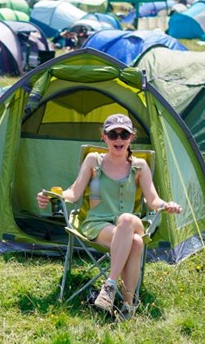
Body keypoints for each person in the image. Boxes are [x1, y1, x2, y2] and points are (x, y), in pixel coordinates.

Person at [35, 114, 182, 317]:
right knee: (136, 242)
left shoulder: (140, 166)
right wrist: (52, 196)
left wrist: (167, 205)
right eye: (113, 134)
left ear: (132, 137)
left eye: (124, 134)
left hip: (133, 222)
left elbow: (154, 200)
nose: (119, 139)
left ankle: (109, 285)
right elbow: (74, 192)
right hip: (98, 225)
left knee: (127, 220)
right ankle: (128, 306)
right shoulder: (93, 161)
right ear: (104, 137)